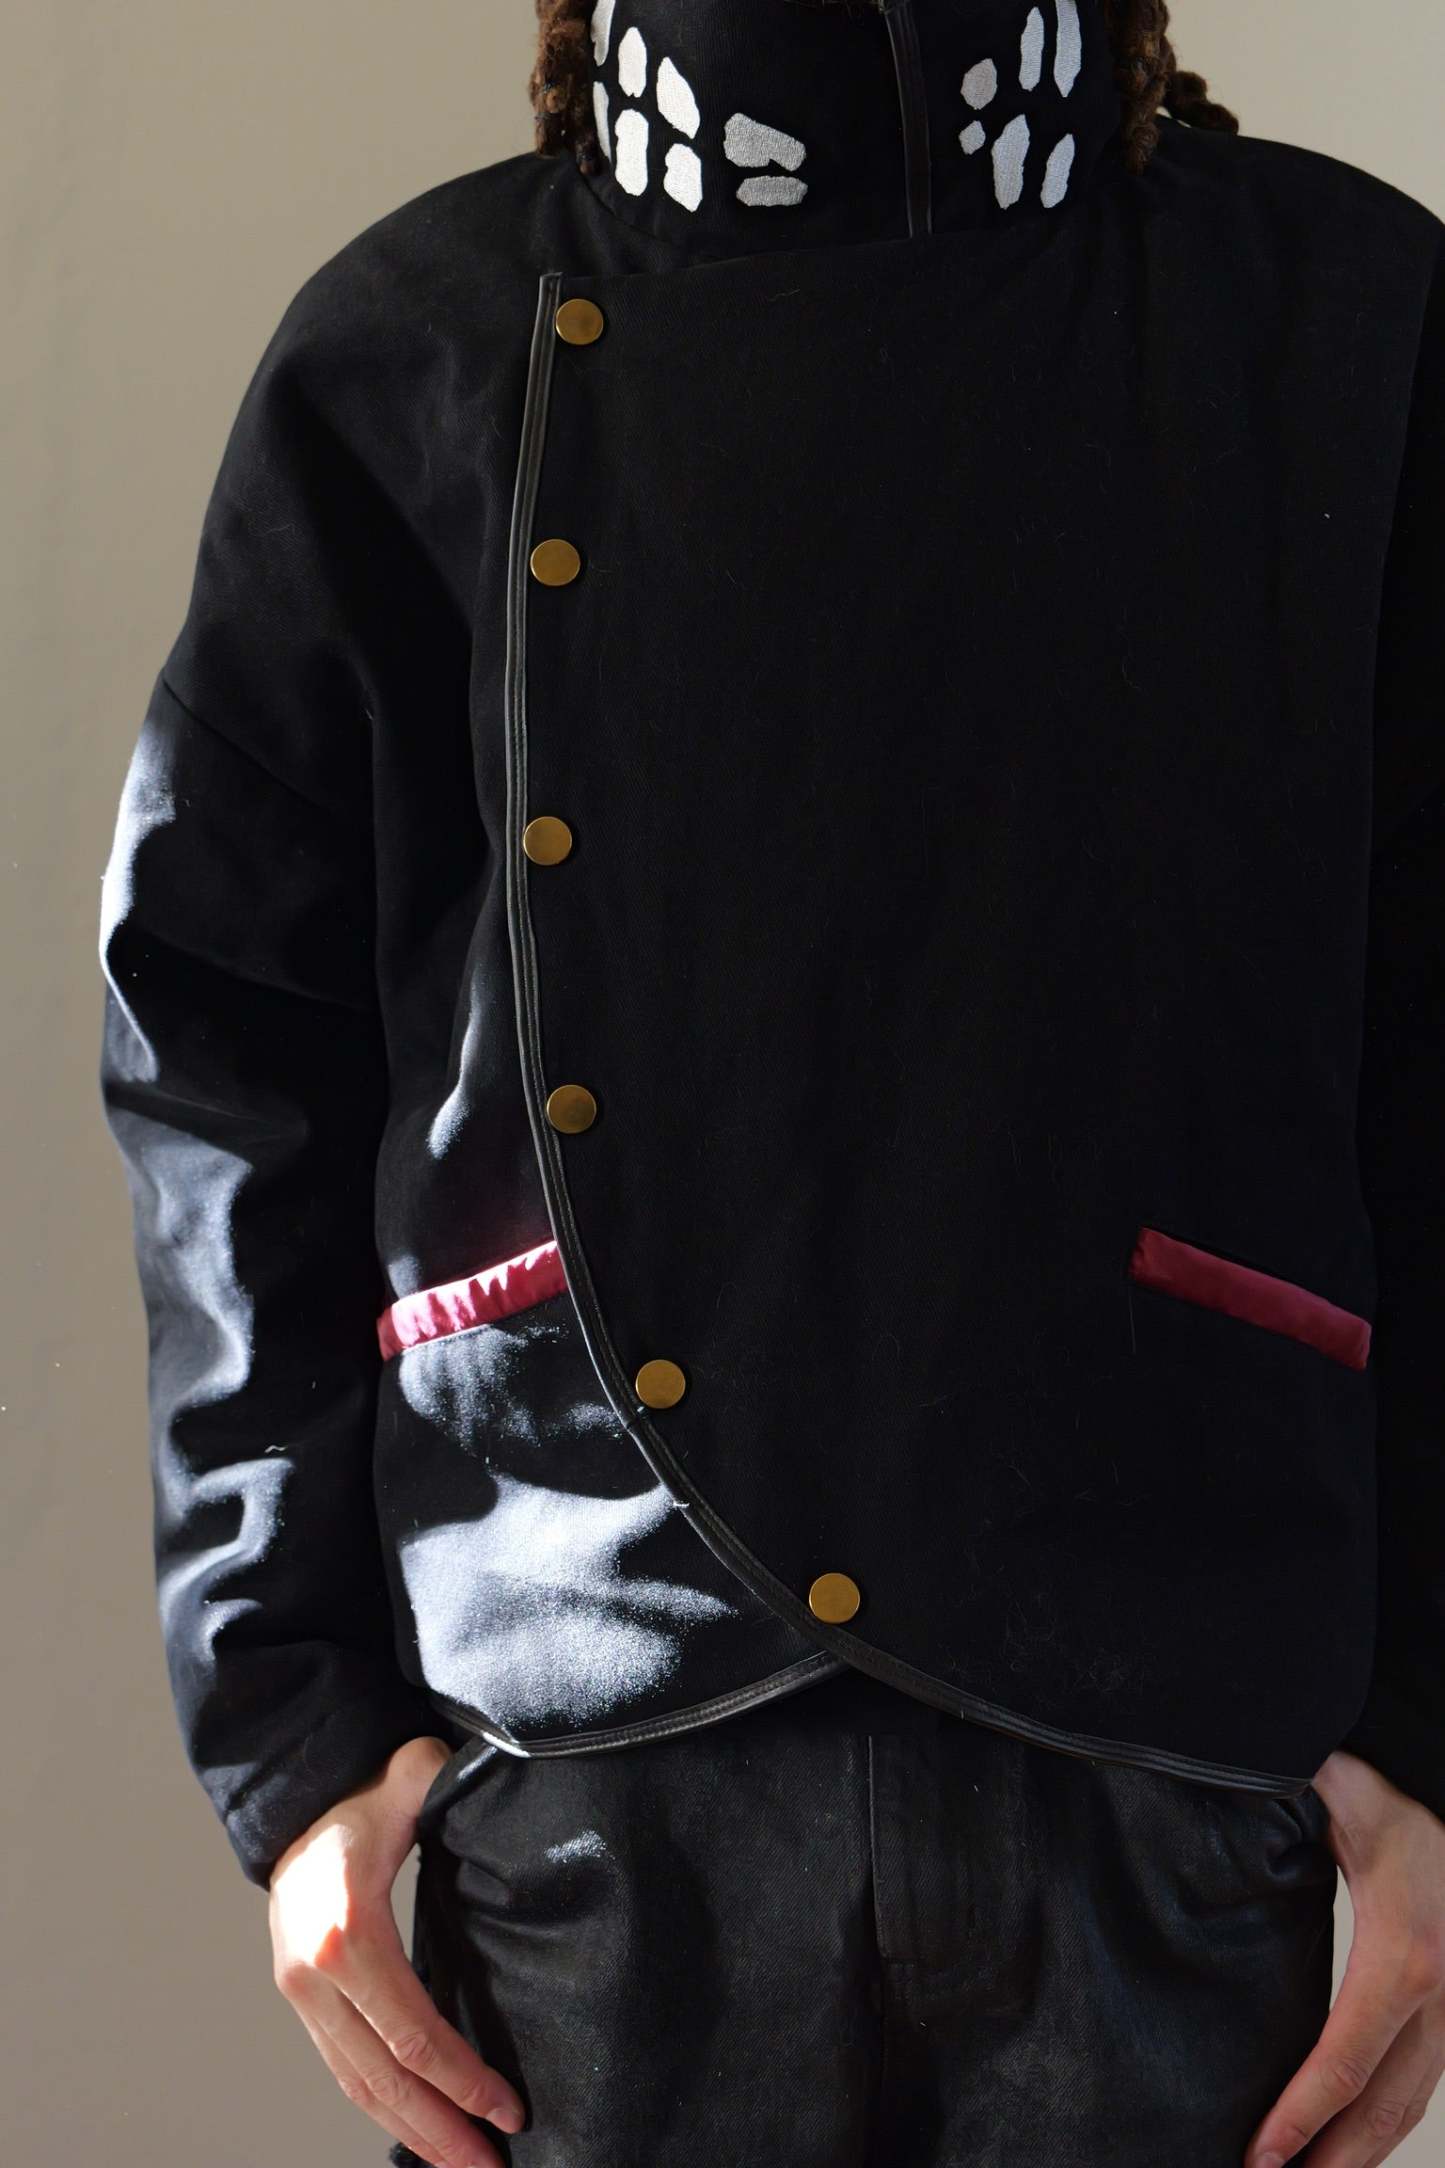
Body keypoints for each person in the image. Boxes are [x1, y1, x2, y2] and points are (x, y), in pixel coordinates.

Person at [96, 0, 1445, 2162]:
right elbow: (228, 1052)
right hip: (592, 1740)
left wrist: (1432, 1726)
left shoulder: (1355, 323)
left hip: (1177, 1752)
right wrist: (296, 1730)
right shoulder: (411, 350)